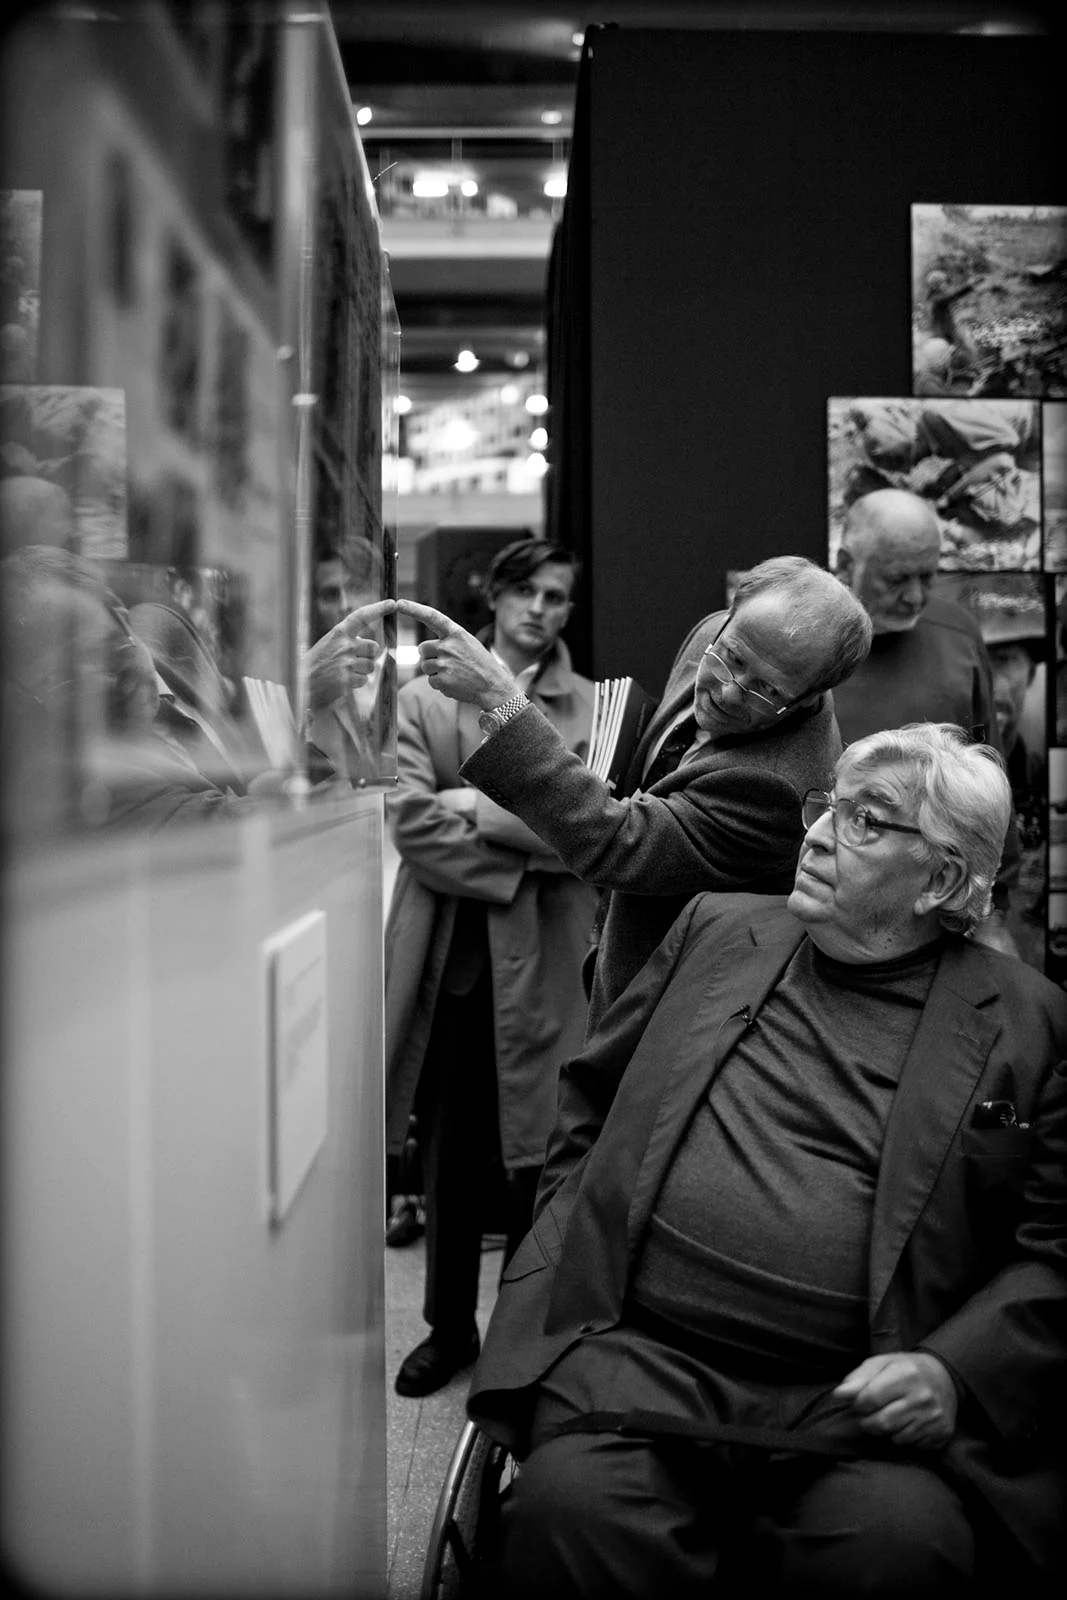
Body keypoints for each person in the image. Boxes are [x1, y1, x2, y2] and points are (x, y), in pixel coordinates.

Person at [467, 723, 1067, 1600]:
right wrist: (566, 1246)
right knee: (571, 1514)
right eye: (827, 805)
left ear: (940, 881)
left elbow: (1052, 1251)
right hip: (643, 1357)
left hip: (857, 1398)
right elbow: (591, 1098)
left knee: (900, 1549)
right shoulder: (715, 929)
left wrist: (951, 1370)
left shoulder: (1028, 1023)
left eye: (865, 820)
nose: (815, 835)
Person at [399, 556, 872, 1032]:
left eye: (767, 690)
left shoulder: (776, 789)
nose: (729, 692)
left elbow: (615, 842)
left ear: (810, 695)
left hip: (677, 1013)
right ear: (729, 619)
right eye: (732, 659)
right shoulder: (716, 635)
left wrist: (502, 701)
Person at [386, 537, 599, 1398]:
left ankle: (522, 1337)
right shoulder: (421, 698)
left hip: (550, 958)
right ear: (498, 596)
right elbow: (412, 824)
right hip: (455, 956)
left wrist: (473, 804)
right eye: (529, 592)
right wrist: (531, 848)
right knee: (448, 1153)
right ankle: (447, 1330)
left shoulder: (591, 706)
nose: (542, 609)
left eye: (558, 596)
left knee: (539, 1158)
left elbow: (588, 828)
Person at [832, 487, 1021, 955]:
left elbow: (990, 778)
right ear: (845, 564)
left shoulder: (956, 631)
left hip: (935, 903)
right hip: (820, 889)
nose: (915, 596)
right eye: (897, 578)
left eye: (928, 576)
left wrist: (994, 912)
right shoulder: (807, 635)